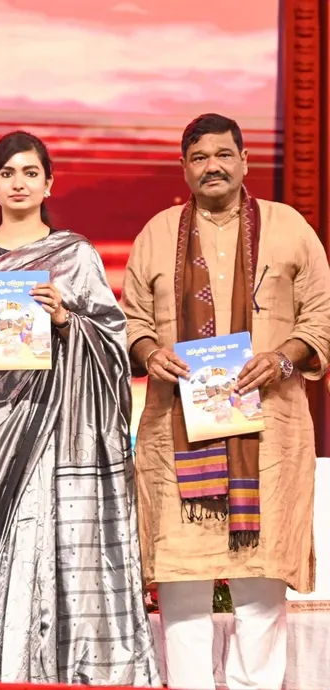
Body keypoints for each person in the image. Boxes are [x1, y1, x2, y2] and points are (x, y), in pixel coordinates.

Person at [122, 113, 330, 690]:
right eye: (198, 157)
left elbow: (322, 314)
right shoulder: (157, 232)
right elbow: (132, 319)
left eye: (222, 154)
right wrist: (146, 350)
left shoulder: (289, 227)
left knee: (260, 590)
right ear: (184, 167)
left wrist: (284, 356)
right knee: (182, 590)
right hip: (176, 434)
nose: (212, 165)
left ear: (244, 161)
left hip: (271, 429)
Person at [0, 131, 157, 684]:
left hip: (59, 426)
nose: (19, 182)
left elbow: (113, 341)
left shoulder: (75, 253)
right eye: (8, 173)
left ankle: (67, 670)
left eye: (30, 172)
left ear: (48, 182)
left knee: (58, 538)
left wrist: (66, 319)